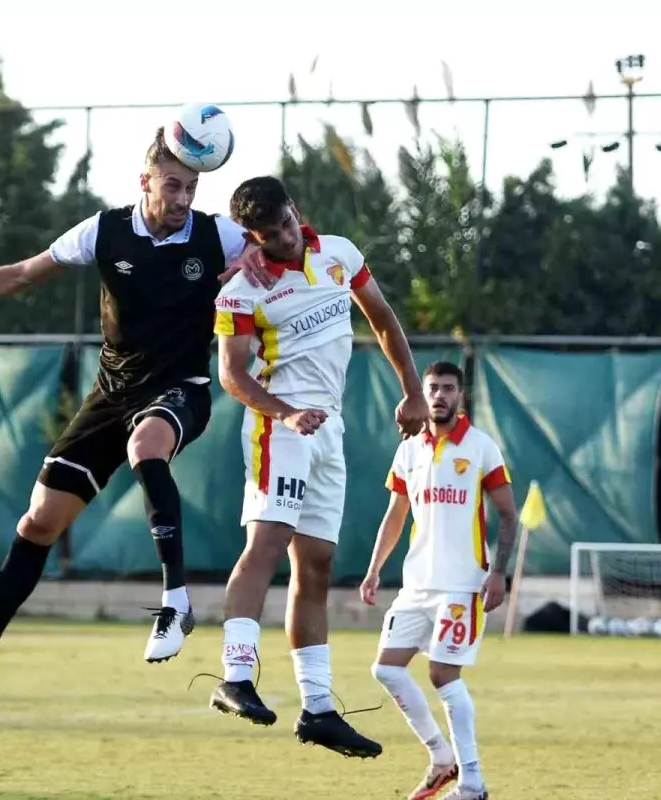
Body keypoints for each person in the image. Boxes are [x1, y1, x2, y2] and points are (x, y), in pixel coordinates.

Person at [0, 127, 273, 688]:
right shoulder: (103, 231)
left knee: (146, 445)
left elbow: (280, 244)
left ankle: (177, 601)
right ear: (145, 181)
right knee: (40, 520)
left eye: (192, 188)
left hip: (182, 386)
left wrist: (257, 257)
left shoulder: (216, 235)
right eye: (173, 185)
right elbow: (20, 275)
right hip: (110, 395)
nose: (183, 199)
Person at [208, 175, 428, 758]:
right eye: (265, 234)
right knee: (268, 543)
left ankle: (319, 710)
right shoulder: (242, 291)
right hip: (279, 426)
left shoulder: (339, 254)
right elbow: (231, 375)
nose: (279, 239)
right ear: (250, 237)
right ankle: (235, 675)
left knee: (319, 565)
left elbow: (381, 317)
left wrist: (412, 391)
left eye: (283, 225)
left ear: (295, 211)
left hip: (330, 427)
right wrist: (284, 414)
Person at [360, 361, 518, 800]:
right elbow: (395, 516)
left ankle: (472, 783)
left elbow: (508, 514)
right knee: (386, 669)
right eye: (433, 388)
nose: (440, 396)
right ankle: (440, 757)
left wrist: (498, 572)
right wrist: (374, 569)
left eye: (448, 388)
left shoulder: (482, 447)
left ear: (460, 396)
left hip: (463, 583)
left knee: (443, 674)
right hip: (416, 585)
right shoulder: (409, 450)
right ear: (422, 394)